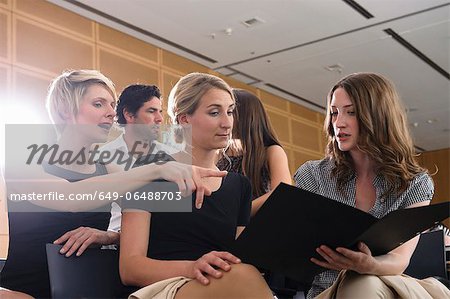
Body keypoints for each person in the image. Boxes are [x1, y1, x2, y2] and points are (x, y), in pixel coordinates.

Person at [0, 70, 226, 298]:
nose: (110, 113)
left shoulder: (109, 168)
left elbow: (150, 224)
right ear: (64, 110)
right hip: (24, 291)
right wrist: (157, 168)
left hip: (87, 290)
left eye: (112, 104)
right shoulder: (22, 161)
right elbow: (70, 196)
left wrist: (109, 236)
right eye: (98, 104)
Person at [119, 72, 273, 299]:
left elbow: (239, 258)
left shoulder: (239, 186)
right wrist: (191, 267)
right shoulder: (150, 174)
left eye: (230, 111)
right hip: (165, 287)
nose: (227, 122)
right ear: (184, 120)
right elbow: (130, 268)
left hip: (227, 285)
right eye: (214, 112)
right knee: (244, 277)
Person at [294, 72, 442, 298]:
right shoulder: (312, 176)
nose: (338, 122)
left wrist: (367, 265)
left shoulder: (415, 183)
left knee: (363, 282)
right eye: (334, 113)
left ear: (378, 116)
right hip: (327, 292)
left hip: (383, 286)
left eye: (351, 112)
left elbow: (398, 260)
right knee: (359, 284)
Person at [100, 83, 176, 234]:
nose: (160, 118)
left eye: (160, 112)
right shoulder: (101, 157)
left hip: (161, 239)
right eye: (151, 111)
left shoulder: (173, 157)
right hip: (112, 243)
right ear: (129, 115)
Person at [217, 89, 291, 217]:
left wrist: (240, 214)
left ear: (245, 117)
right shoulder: (219, 153)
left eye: (229, 112)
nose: (224, 120)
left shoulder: (272, 151)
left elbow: (282, 192)